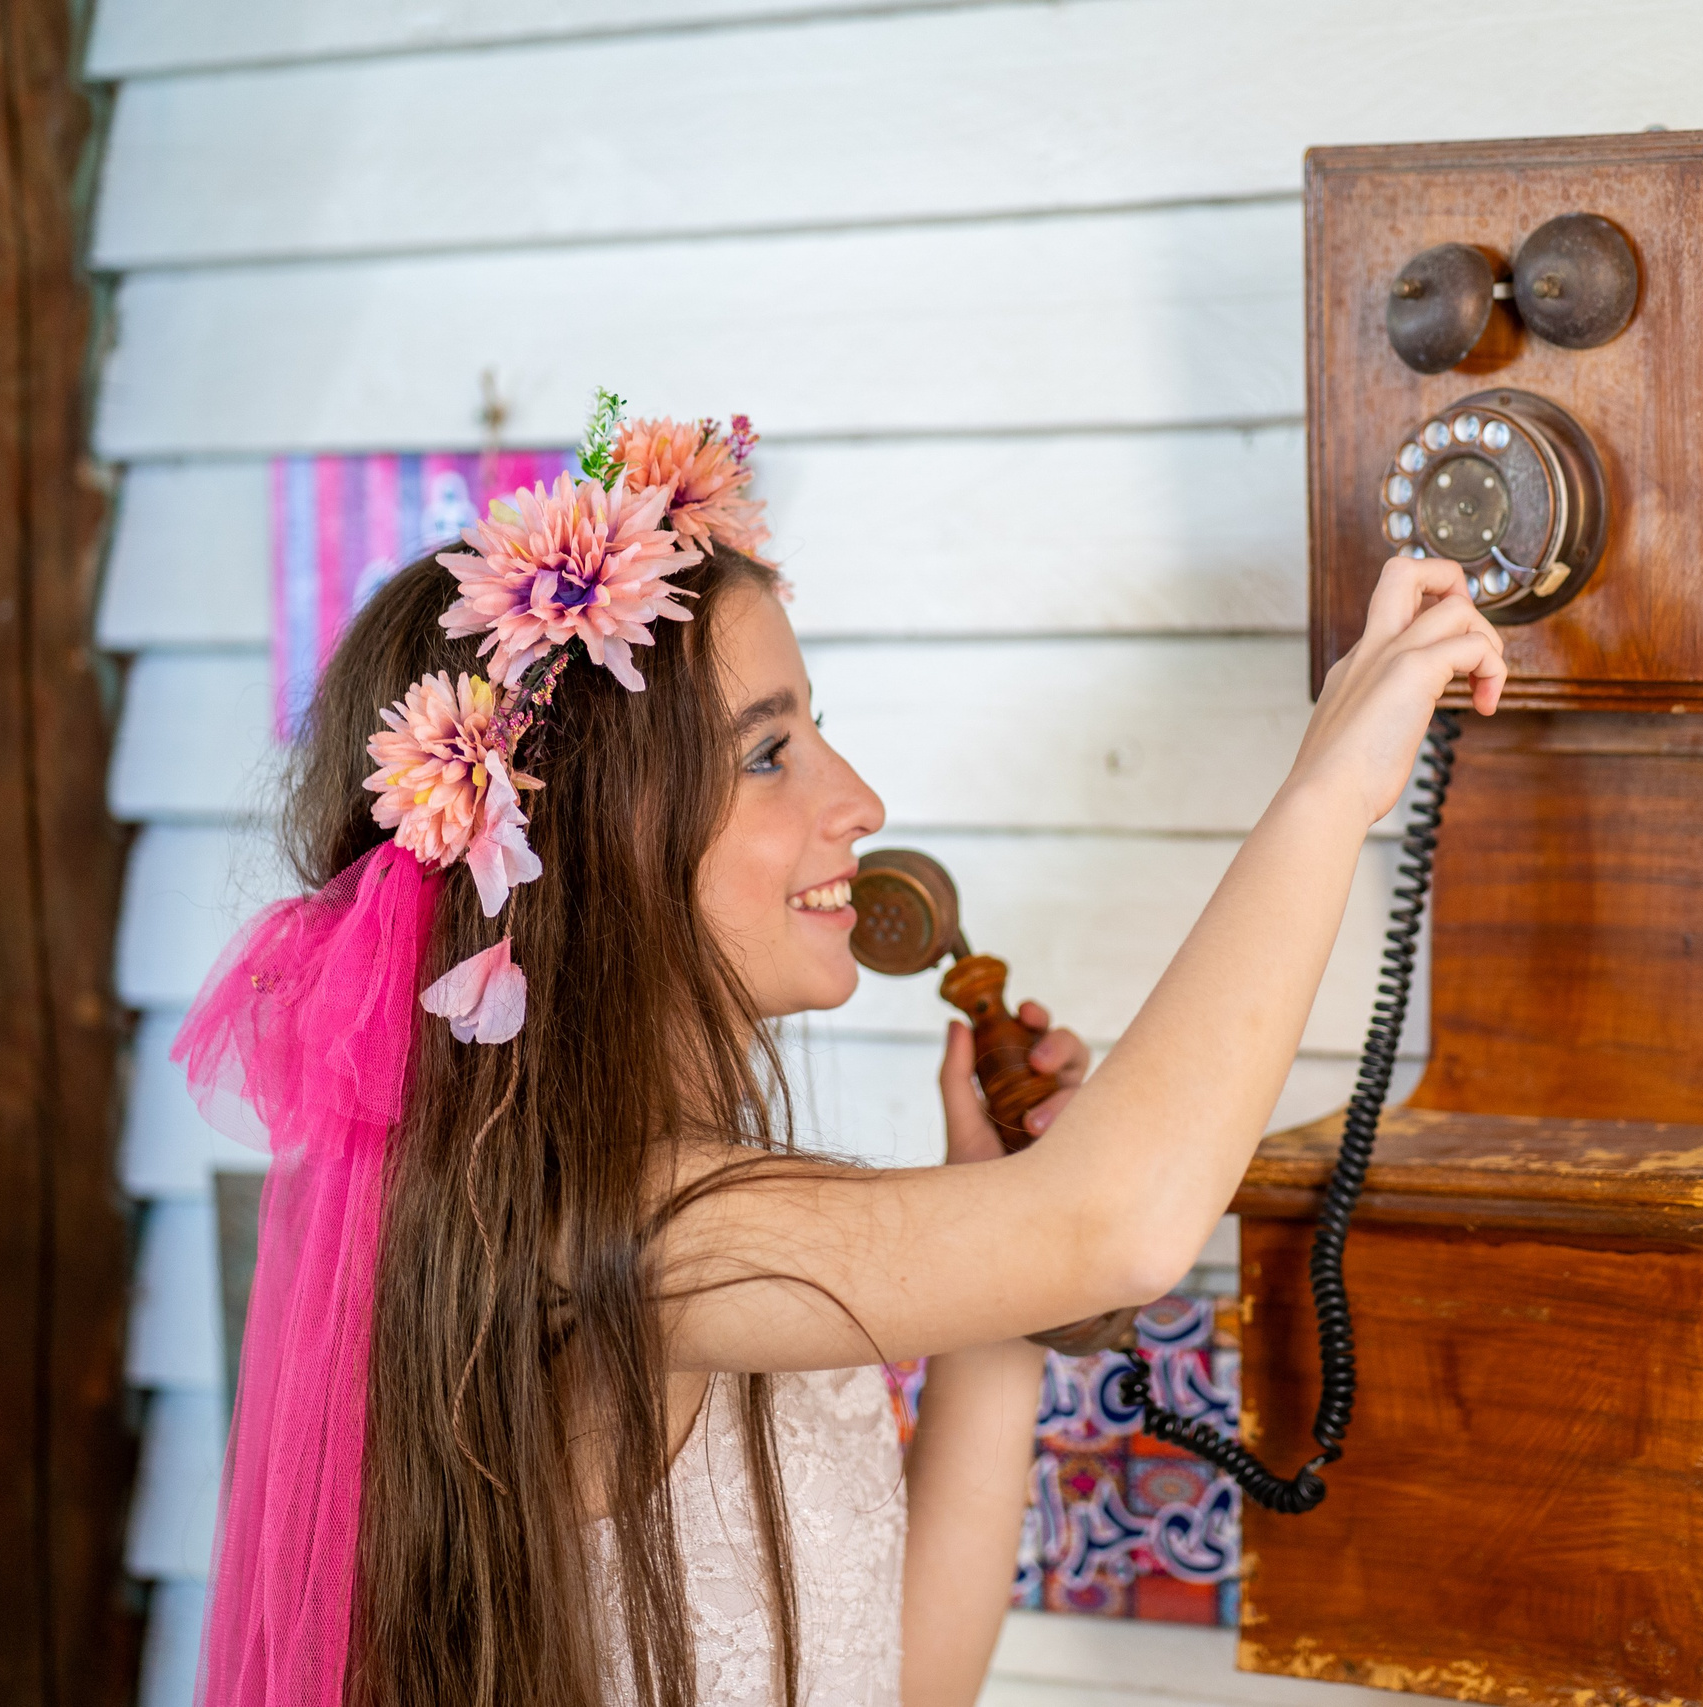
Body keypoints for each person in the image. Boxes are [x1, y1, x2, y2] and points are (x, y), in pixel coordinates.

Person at [174, 395, 1507, 1707]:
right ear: (601, 845)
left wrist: (996, 1274)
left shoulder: (711, 1215)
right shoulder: (628, 1235)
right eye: (768, 755)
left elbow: (905, 1680)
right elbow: (1123, 1225)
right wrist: (1335, 783)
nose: (857, 801)